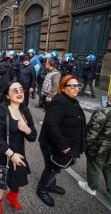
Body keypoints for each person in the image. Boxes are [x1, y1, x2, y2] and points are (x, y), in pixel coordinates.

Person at [0, 81, 37, 214]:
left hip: (18, 153)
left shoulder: (24, 109)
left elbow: (33, 137)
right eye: (15, 90)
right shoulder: (0, 110)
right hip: (1, 152)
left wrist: (27, 129)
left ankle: (12, 197)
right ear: (7, 95)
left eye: (21, 89)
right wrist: (11, 155)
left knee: (16, 180)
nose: (19, 92)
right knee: (0, 183)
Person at [37, 75, 86, 207]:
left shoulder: (72, 100)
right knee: (52, 168)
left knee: (57, 167)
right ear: (63, 88)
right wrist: (63, 145)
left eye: (78, 85)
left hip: (63, 143)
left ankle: (51, 184)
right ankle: (42, 190)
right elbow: (50, 124)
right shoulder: (60, 101)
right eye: (72, 86)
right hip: (52, 144)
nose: (76, 89)